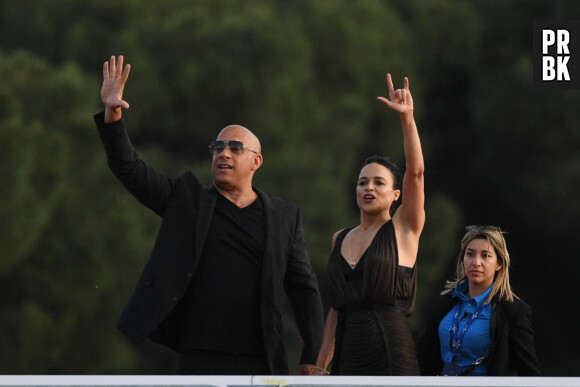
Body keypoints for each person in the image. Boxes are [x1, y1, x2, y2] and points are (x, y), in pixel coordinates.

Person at [94, 55, 324, 375]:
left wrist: (313, 355)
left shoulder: (285, 217)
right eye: (217, 148)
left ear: (257, 161)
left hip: (261, 355)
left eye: (234, 148)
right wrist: (113, 114)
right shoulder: (187, 202)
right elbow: (129, 168)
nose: (223, 153)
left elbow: (304, 288)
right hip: (199, 354)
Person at [312, 74, 425, 376]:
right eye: (362, 182)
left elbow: (415, 173)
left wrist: (407, 120)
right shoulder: (340, 238)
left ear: (395, 194)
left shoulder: (404, 228)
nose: (368, 188)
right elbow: (336, 311)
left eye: (378, 182)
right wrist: (321, 366)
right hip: (347, 356)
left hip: (390, 352)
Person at [418, 225, 541, 376]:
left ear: (499, 263)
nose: (476, 262)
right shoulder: (448, 302)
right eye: (470, 254)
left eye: (485, 255)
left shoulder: (513, 311)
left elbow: (529, 372)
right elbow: (424, 353)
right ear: (463, 259)